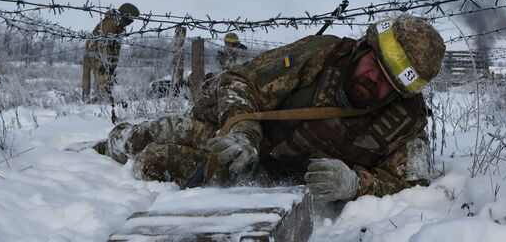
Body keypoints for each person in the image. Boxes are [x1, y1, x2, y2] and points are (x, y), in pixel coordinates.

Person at [88, 15, 446, 202]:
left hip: (269, 177)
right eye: (373, 64)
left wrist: (355, 184)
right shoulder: (322, 54)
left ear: (401, 92)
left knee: (156, 159)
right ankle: (107, 146)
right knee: (147, 135)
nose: (373, 80)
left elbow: (408, 184)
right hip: (235, 138)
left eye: (388, 82)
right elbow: (243, 83)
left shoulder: (405, 122)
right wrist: (243, 132)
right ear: (365, 47)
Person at [82, 3, 140, 102]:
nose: (131, 22)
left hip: (98, 54)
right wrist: (106, 62)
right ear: (126, 16)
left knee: (102, 77)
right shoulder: (111, 23)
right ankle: (98, 101)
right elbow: (103, 43)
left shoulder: (118, 25)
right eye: (131, 19)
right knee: (101, 76)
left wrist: (113, 64)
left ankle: (96, 100)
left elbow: (115, 47)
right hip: (96, 54)